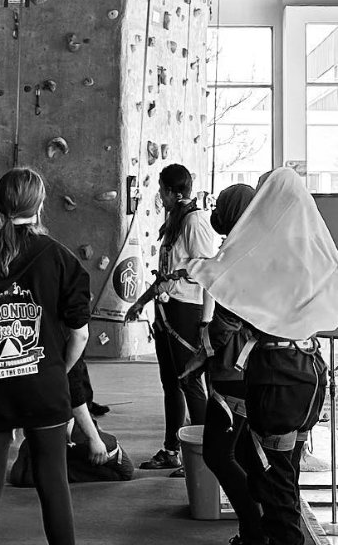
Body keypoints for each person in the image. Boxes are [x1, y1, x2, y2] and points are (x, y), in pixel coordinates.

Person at [0, 166, 90, 545]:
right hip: (44, 386)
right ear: (40, 205)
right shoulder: (60, 259)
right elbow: (79, 333)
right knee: (53, 482)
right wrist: (56, 370)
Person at [190, 167, 337, 545]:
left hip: (278, 374)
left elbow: (231, 307)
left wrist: (195, 270)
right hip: (311, 369)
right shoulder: (311, 249)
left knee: (274, 482)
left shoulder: (268, 253)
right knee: (283, 475)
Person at [124, 162, 217, 474]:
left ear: (172, 191)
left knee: (189, 380)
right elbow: (167, 274)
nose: (159, 196)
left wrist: (205, 322)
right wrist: (142, 302)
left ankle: (206, 456)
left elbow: (208, 273)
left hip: (187, 312)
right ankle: (172, 449)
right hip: (167, 309)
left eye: (162, 190)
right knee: (171, 383)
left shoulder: (194, 222)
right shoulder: (175, 222)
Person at [195, 183, 263, 545]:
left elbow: (225, 325)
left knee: (218, 454)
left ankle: (255, 528)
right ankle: (256, 527)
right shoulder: (260, 247)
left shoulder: (238, 254)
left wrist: (204, 344)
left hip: (233, 371)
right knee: (245, 454)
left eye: (222, 205)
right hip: (252, 368)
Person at [7, 358, 133, 486]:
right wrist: (93, 437)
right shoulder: (66, 359)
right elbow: (76, 401)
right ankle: (41, 472)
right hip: (64, 423)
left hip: (38, 429)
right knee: (125, 469)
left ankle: (32, 469)